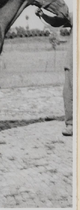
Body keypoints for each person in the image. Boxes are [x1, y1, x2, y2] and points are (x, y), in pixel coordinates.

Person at [35, 8, 73, 136]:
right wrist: (43, 15)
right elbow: (57, 21)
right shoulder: (75, 16)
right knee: (69, 91)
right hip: (74, 60)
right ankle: (71, 124)